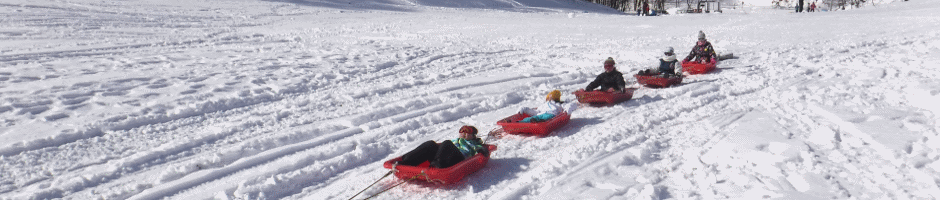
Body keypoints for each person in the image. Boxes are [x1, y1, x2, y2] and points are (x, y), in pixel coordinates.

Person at [397, 125, 489, 168]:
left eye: (467, 131)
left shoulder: (475, 143)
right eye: (462, 131)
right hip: (444, 158)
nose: (464, 133)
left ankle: (437, 165)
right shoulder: (455, 141)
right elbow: (442, 148)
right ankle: (406, 161)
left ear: (473, 135)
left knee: (446, 143)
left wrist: (482, 150)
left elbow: (480, 150)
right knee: (431, 144)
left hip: (458, 160)